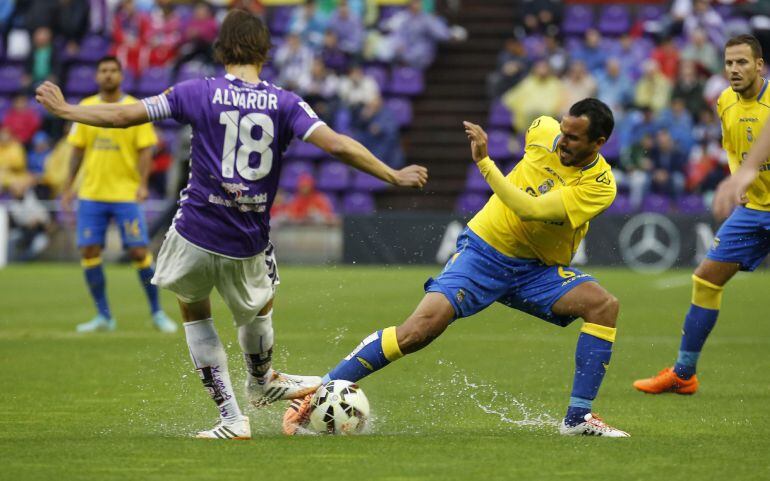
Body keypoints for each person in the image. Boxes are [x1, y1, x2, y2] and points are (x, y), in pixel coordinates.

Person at [35, 9, 428, 440]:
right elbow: (336, 145)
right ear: (265, 51)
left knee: (193, 310)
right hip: (247, 240)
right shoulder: (285, 102)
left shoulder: (196, 91)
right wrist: (391, 174)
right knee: (258, 310)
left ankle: (231, 418)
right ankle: (261, 380)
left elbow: (124, 116)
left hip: (194, 231)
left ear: (221, 50)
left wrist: (66, 109)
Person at [285, 99, 630, 437]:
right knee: (417, 331)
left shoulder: (599, 186)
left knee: (603, 306)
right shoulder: (542, 129)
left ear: (598, 143)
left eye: (573, 138)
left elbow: (531, 209)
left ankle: (577, 419)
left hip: (536, 271)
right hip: (483, 253)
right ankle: (311, 396)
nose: (562, 141)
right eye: (563, 130)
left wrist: (484, 163)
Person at [634, 35, 769, 395]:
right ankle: (683, 373)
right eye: (728, 63)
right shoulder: (724, 102)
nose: (734, 70)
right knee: (706, 280)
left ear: (760, 65)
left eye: (742, 62)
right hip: (754, 209)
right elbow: (733, 148)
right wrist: (736, 179)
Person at [59, 56, 177, 334]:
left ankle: (157, 313)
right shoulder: (86, 109)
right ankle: (103, 316)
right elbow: (76, 151)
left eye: (113, 70)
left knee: (138, 250)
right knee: (89, 250)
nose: (108, 75)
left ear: (121, 76)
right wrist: (67, 187)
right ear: (97, 76)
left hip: (125, 193)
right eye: (103, 70)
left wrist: (143, 183)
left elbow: (146, 150)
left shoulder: (134, 108)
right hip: (91, 193)